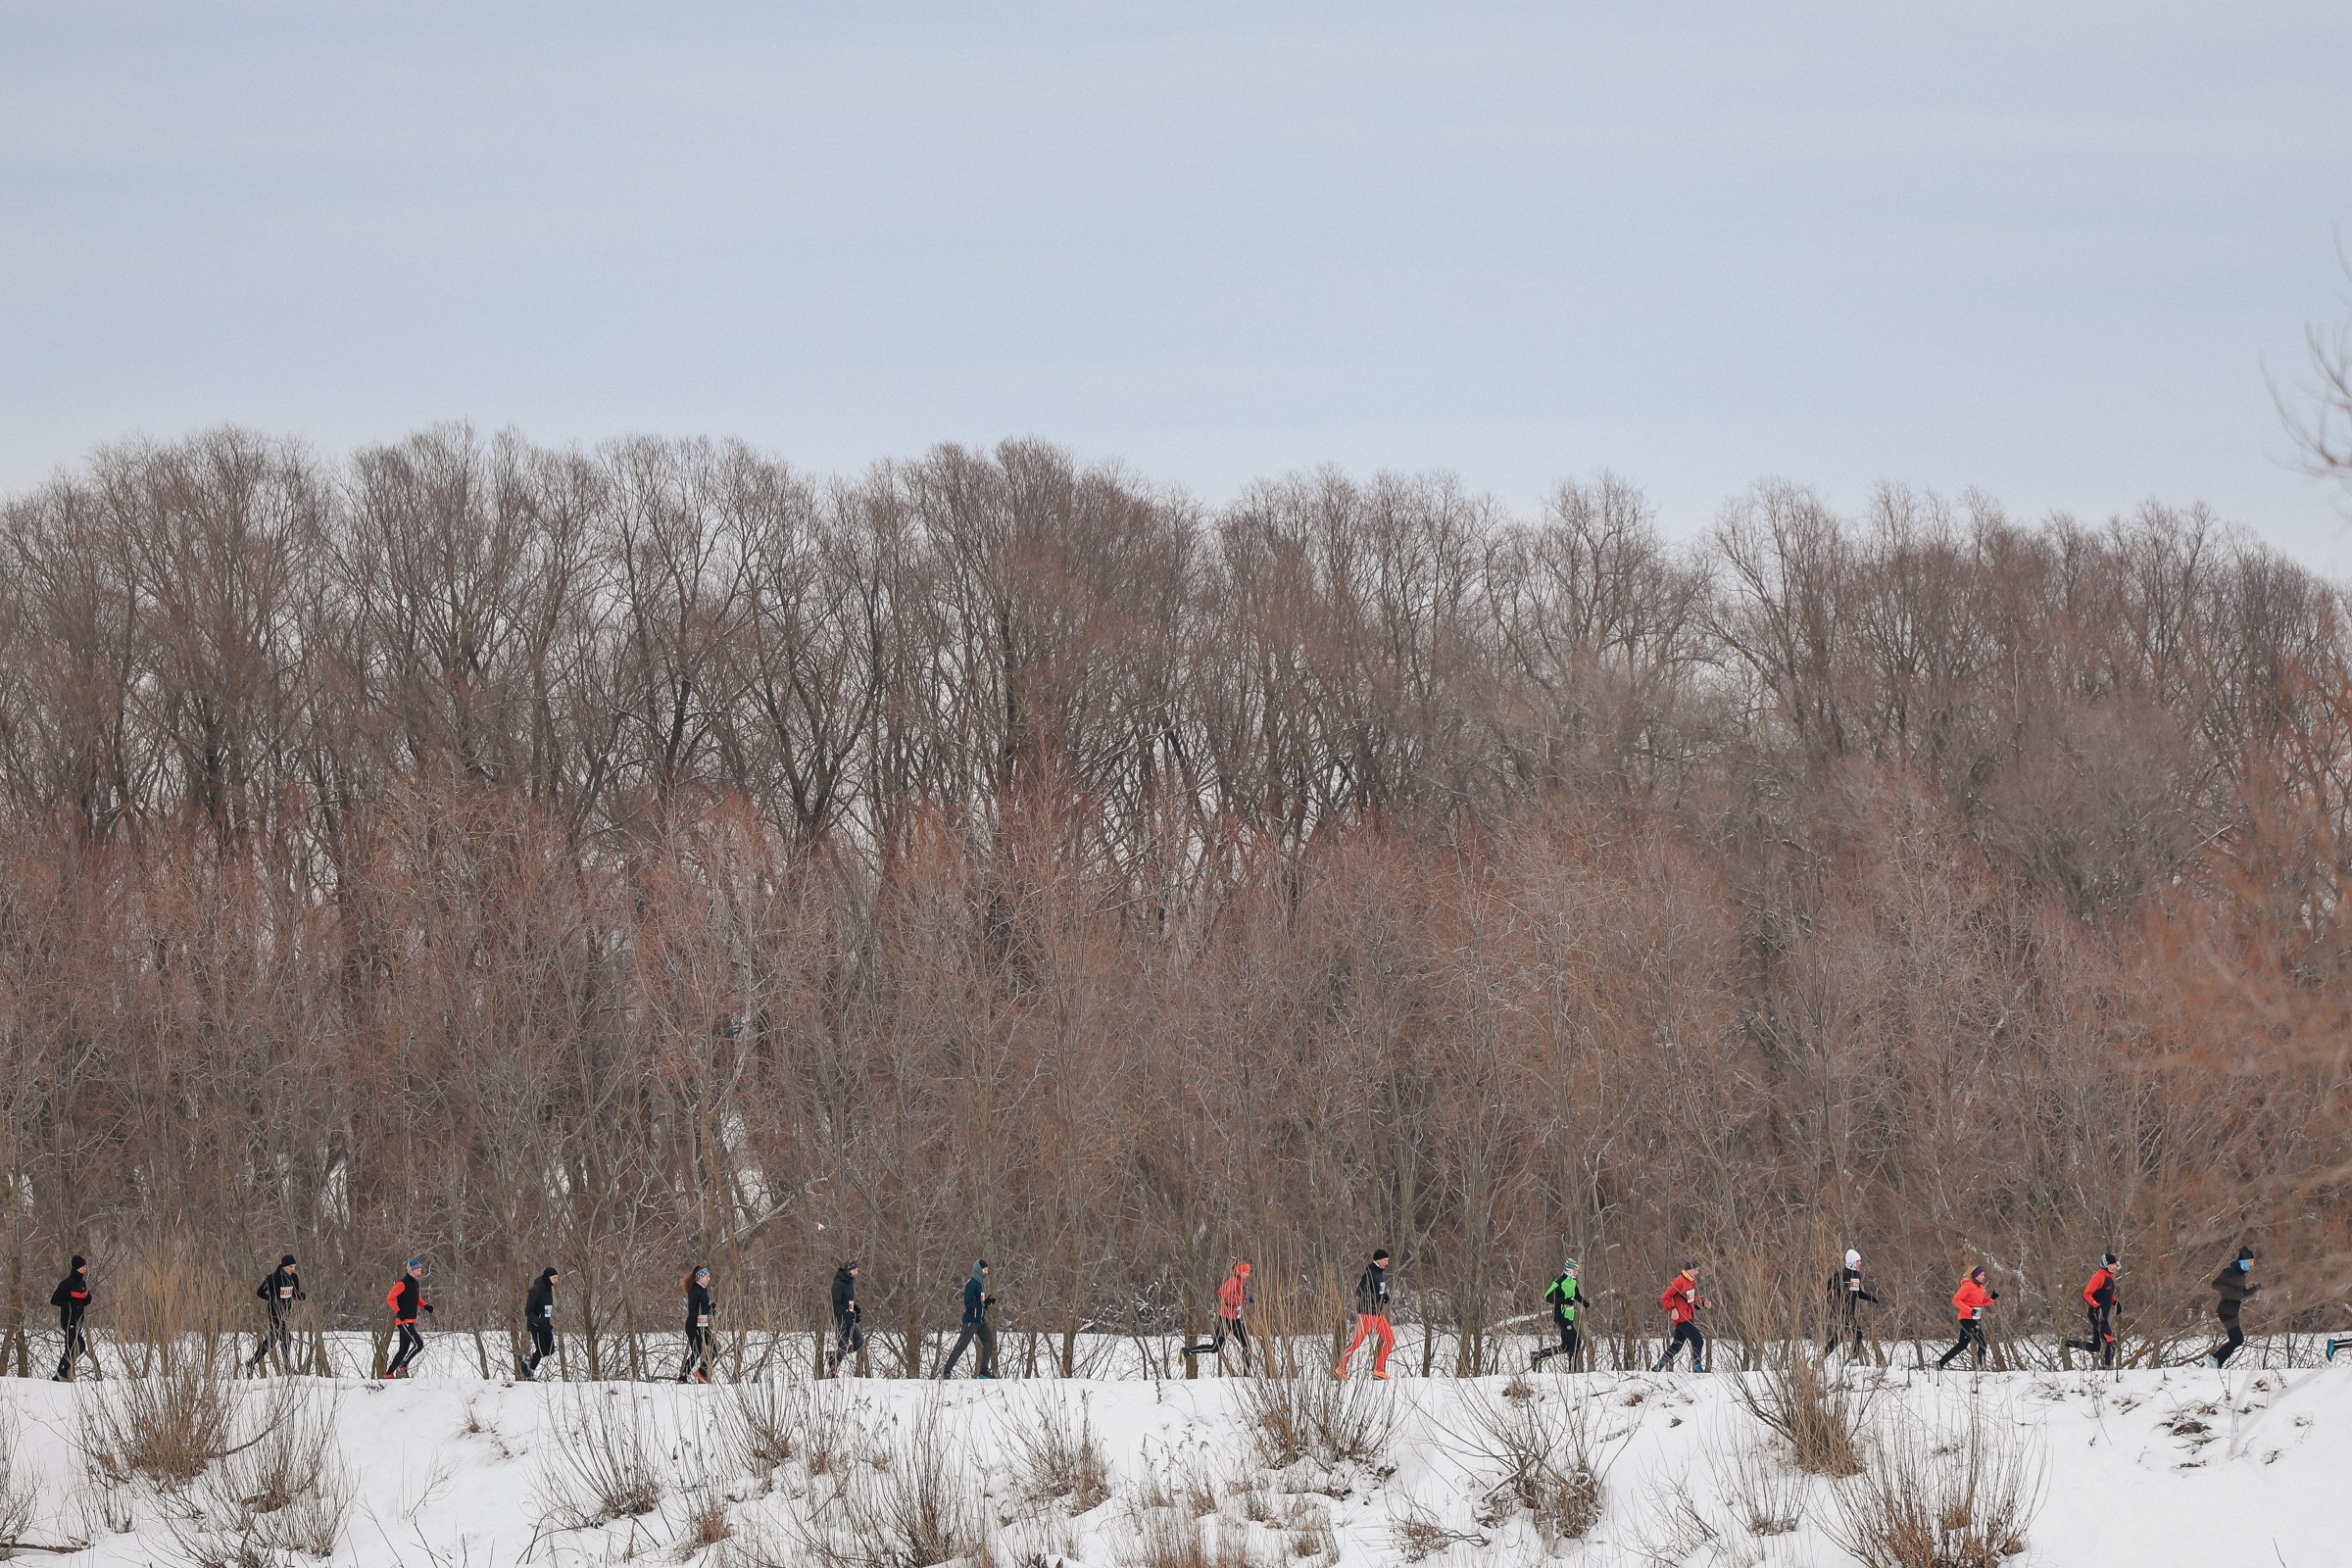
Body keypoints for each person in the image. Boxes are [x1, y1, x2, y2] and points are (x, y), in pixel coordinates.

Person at [1181, 1260, 1254, 1372]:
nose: (1248, 1274)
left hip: (1234, 1318)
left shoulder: (1238, 1281)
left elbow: (1223, 1293)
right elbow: (1224, 1295)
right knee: (1215, 1347)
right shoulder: (1234, 1282)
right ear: (1240, 1272)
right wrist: (1244, 1300)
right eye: (1246, 1272)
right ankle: (1187, 1352)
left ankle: (1247, 1374)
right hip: (1226, 1319)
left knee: (1247, 1346)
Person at [1335, 1249, 1395, 1381]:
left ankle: (1378, 1370)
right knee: (1356, 1343)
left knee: (1390, 1340)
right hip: (1367, 1314)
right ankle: (1340, 1367)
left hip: (1378, 1315)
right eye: (1385, 1260)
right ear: (1378, 1260)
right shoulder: (1369, 1273)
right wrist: (1372, 1301)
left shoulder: (1380, 1274)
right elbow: (1360, 1292)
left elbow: (1379, 1289)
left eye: (1387, 1260)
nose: (1387, 1263)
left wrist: (1384, 1296)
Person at [248, 1253, 305, 1374]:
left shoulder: (294, 1278)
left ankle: (252, 1362)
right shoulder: (273, 1278)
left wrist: (301, 1296)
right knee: (286, 1337)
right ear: (284, 1266)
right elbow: (259, 1292)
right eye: (290, 1266)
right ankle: (287, 1367)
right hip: (274, 1313)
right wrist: (271, 1298)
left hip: (285, 1313)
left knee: (272, 1340)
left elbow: (295, 1294)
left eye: (294, 1266)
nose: (293, 1269)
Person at [940, 1258, 997, 1379]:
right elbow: (968, 1302)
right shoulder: (972, 1283)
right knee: (962, 1345)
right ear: (978, 1270)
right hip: (971, 1320)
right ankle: (946, 1370)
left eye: (987, 1270)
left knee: (989, 1341)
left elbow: (980, 1304)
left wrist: (986, 1303)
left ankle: (983, 1372)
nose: (986, 1272)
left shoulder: (981, 1284)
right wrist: (979, 1305)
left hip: (980, 1320)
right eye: (984, 1270)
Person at [2205, 1246, 2259, 1368]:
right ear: (2243, 1261)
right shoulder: (2229, 1272)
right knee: (2237, 1339)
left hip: (2232, 1312)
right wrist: (2233, 1292)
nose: (2252, 1265)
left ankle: (2216, 1363)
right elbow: (2215, 1285)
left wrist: (2257, 1288)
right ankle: (2213, 1359)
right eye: (2251, 1261)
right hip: (2225, 1310)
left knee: (2236, 1339)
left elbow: (2242, 1294)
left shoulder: (2241, 1275)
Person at [2063, 1254, 2120, 1369]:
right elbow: (2086, 1294)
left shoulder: (2109, 1278)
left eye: (2115, 1265)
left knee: (2096, 1347)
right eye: (2112, 1265)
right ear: (2105, 1265)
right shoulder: (2098, 1277)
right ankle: (2108, 1369)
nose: (2114, 1267)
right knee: (2111, 1340)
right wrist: (2096, 1306)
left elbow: (2106, 1295)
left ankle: (2066, 1342)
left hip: (2102, 1314)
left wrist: (2116, 1303)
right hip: (2097, 1314)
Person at [1936, 1265, 1998, 1370]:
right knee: (1982, 1341)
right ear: (1975, 1276)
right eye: (1981, 1275)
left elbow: (1981, 1302)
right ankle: (1982, 1367)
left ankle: (1940, 1364)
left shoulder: (1980, 1287)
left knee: (1962, 1345)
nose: (1983, 1277)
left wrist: (1991, 1298)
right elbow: (1956, 1300)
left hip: (1973, 1318)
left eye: (1983, 1275)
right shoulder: (1968, 1286)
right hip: (1966, 1318)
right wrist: (1970, 1310)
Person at [1823, 1249, 1879, 1361]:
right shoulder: (1842, 1275)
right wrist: (1834, 1306)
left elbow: (1857, 1292)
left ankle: (1819, 1360)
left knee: (1837, 1338)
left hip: (1850, 1312)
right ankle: (1853, 1361)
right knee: (1857, 1334)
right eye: (1858, 1261)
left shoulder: (1856, 1275)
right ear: (1852, 1262)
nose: (1860, 1263)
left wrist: (1870, 1298)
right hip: (1843, 1312)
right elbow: (1827, 1290)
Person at [1654, 1261, 1709, 1371]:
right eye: (1696, 1270)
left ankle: (1658, 1366)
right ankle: (1697, 1368)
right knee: (1698, 1340)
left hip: (1688, 1317)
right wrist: (1672, 1309)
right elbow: (1666, 1296)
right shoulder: (1679, 1281)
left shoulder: (1690, 1282)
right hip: (1682, 1318)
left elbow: (1691, 1300)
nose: (1697, 1272)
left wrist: (1703, 1303)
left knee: (1677, 1345)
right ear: (1689, 1270)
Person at [383, 1258, 431, 1378]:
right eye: (417, 1271)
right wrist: (398, 1311)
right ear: (410, 1270)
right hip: (403, 1321)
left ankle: (388, 1374)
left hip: (411, 1321)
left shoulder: (415, 1284)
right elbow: (390, 1298)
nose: (419, 1273)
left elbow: (417, 1300)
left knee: (403, 1350)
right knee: (418, 1344)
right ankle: (403, 1366)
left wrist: (425, 1306)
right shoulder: (402, 1284)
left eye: (420, 1270)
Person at [1531, 1257, 1582, 1369]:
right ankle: (1572, 1370)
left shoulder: (1572, 1282)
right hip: (1560, 1316)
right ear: (1569, 1270)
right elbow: (1546, 1296)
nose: (1577, 1273)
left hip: (1568, 1317)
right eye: (1576, 1270)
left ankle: (1537, 1355)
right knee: (1576, 1341)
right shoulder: (1559, 1281)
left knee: (1565, 1347)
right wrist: (1563, 1301)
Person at [50, 1255, 92, 1382]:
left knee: (73, 1347)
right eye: (84, 1266)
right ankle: (61, 1374)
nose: (86, 1268)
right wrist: (68, 1305)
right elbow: (54, 1300)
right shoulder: (67, 1283)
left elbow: (80, 1302)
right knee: (78, 1346)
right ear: (78, 1267)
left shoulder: (82, 1283)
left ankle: (62, 1375)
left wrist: (87, 1299)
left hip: (78, 1321)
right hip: (68, 1321)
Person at [679, 1265, 716, 1383]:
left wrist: (711, 1310)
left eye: (709, 1276)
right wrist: (708, 1310)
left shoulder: (703, 1289)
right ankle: (682, 1377)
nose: (709, 1279)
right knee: (697, 1352)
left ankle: (702, 1372)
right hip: (693, 1325)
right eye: (706, 1276)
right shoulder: (694, 1291)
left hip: (702, 1325)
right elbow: (693, 1312)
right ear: (699, 1277)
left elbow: (703, 1309)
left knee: (715, 1348)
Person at [827, 1260, 864, 1376]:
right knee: (842, 1345)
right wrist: (846, 1313)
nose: (857, 1272)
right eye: (854, 1270)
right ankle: (833, 1370)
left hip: (849, 1318)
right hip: (840, 1319)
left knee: (858, 1342)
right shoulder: (838, 1284)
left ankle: (835, 1355)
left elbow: (849, 1301)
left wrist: (855, 1310)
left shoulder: (850, 1283)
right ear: (848, 1271)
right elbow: (837, 1304)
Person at [521, 1267, 559, 1380]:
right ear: (548, 1278)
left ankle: (526, 1359)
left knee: (550, 1349)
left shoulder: (548, 1289)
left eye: (557, 1277)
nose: (556, 1280)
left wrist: (547, 1322)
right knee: (542, 1349)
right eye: (554, 1278)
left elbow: (546, 1309)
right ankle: (530, 1374)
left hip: (545, 1325)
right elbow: (528, 1310)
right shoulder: (536, 1289)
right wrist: (538, 1322)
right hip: (536, 1325)